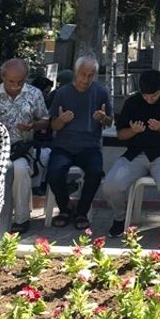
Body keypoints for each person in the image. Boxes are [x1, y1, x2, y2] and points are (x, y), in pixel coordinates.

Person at [102, 69, 160, 238]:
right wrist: (132, 131)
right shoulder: (132, 103)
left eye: (153, 96)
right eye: (145, 95)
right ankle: (120, 218)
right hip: (136, 154)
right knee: (111, 184)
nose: (148, 99)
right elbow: (120, 135)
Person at [0, 58, 50, 233]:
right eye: (11, 81)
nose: (15, 86)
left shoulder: (34, 94)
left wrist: (33, 126)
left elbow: (45, 120)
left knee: (20, 169)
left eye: (20, 82)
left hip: (21, 148)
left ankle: (22, 219)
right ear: (3, 77)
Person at [47, 56, 113, 230]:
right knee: (54, 172)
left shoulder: (101, 92)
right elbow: (53, 124)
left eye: (90, 75)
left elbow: (109, 122)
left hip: (90, 146)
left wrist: (103, 118)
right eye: (83, 74)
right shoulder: (62, 93)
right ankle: (65, 207)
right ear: (76, 73)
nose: (86, 79)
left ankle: (82, 211)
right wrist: (61, 121)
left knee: (95, 172)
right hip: (64, 145)